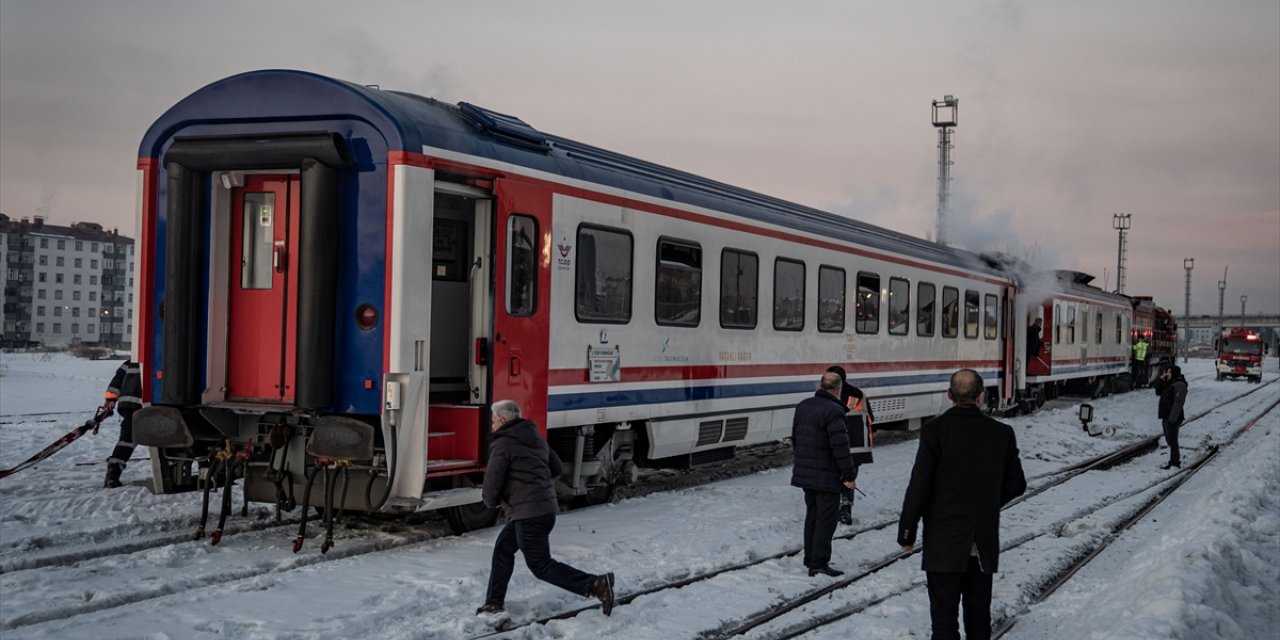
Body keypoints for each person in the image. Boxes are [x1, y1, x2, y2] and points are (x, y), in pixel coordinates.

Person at [898, 369, 1027, 640]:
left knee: (944, 621)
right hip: (982, 544)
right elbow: (1017, 484)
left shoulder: (934, 431)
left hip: (943, 542)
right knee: (979, 618)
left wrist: (907, 533)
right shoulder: (1002, 433)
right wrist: (987, 502)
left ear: (949, 395)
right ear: (980, 396)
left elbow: (919, 485)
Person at [477, 399, 615, 616]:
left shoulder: (503, 444)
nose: (492, 426)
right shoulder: (534, 437)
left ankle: (595, 584)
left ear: (502, 420)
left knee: (541, 566)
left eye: (493, 421)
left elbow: (493, 481)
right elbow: (556, 467)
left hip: (528, 514)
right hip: (543, 510)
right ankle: (493, 602)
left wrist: (490, 501)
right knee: (503, 549)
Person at [791, 372, 858, 577]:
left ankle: (810, 557)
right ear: (838, 389)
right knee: (826, 520)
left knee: (812, 515)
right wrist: (849, 474)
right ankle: (818, 562)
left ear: (821, 385)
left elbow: (795, 437)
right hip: (827, 475)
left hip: (806, 472)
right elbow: (840, 447)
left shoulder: (803, 405)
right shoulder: (835, 411)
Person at [826, 365, 875, 526]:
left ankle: (832, 509)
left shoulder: (828, 396)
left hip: (834, 445)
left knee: (834, 476)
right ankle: (845, 508)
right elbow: (871, 418)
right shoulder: (859, 395)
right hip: (856, 446)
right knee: (848, 478)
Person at [102, 359, 142, 488]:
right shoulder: (161, 355)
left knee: (126, 440)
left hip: (128, 406)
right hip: (147, 405)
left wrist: (110, 400)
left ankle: (113, 474)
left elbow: (117, 380)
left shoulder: (131, 361)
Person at [1153, 365, 1188, 469]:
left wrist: (1172, 418)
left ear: (1173, 373)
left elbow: (1178, 402)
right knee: (1170, 440)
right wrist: (1161, 379)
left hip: (1173, 417)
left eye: (1169, 371)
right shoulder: (1170, 383)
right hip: (1166, 416)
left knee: (1173, 440)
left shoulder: (1180, 385)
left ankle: (1175, 462)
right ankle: (1174, 459)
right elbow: (1158, 391)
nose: (1167, 373)